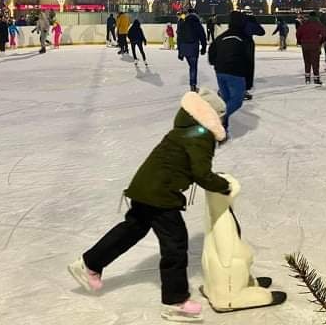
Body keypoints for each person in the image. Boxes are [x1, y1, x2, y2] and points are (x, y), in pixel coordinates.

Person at [68, 89, 231, 323]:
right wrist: (224, 185)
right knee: (175, 244)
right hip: (160, 194)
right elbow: (201, 173)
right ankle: (176, 302)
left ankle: (89, 263)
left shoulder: (184, 129)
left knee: (133, 229)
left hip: (144, 187)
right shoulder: (201, 134)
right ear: (212, 116)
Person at [208, 11, 251, 136]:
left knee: (225, 100)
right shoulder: (244, 38)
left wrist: (217, 63)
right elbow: (249, 60)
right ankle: (217, 117)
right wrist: (248, 81)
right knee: (237, 101)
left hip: (220, 72)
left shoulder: (221, 37)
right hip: (236, 73)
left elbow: (211, 54)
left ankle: (222, 131)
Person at [177, 8, 207, 92]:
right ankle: (193, 85)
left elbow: (179, 37)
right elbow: (202, 35)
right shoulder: (196, 22)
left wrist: (180, 51)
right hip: (193, 47)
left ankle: (193, 84)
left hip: (184, 48)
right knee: (193, 67)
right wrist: (204, 47)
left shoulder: (182, 23)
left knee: (191, 66)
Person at [296, 11, 326, 85]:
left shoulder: (304, 24)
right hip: (315, 45)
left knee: (307, 61)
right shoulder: (318, 24)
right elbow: (325, 34)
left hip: (305, 45)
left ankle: (307, 78)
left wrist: (299, 41)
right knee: (315, 62)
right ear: (316, 16)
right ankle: (316, 79)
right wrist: (321, 41)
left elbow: (298, 33)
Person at [242, 13, 266, 100]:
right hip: (247, 46)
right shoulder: (250, 24)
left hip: (235, 45)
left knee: (235, 67)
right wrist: (255, 23)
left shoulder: (238, 24)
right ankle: (244, 89)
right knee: (247, 67)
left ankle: (225, 88)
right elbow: (262, 32)